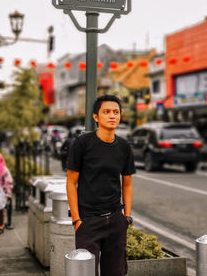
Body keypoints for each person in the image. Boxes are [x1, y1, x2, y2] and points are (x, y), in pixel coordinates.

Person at [66, 95, 136, 276]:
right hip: (88, 221)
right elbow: (71, 183)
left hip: (115, 221)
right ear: (95, 117)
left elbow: (127, 184)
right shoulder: (82, 144)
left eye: (116, 112)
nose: (112, 116)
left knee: (116, 272)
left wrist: (126, 217)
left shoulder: (124, 147)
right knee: (85, 272)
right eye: (106, 112)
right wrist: (76, 221)